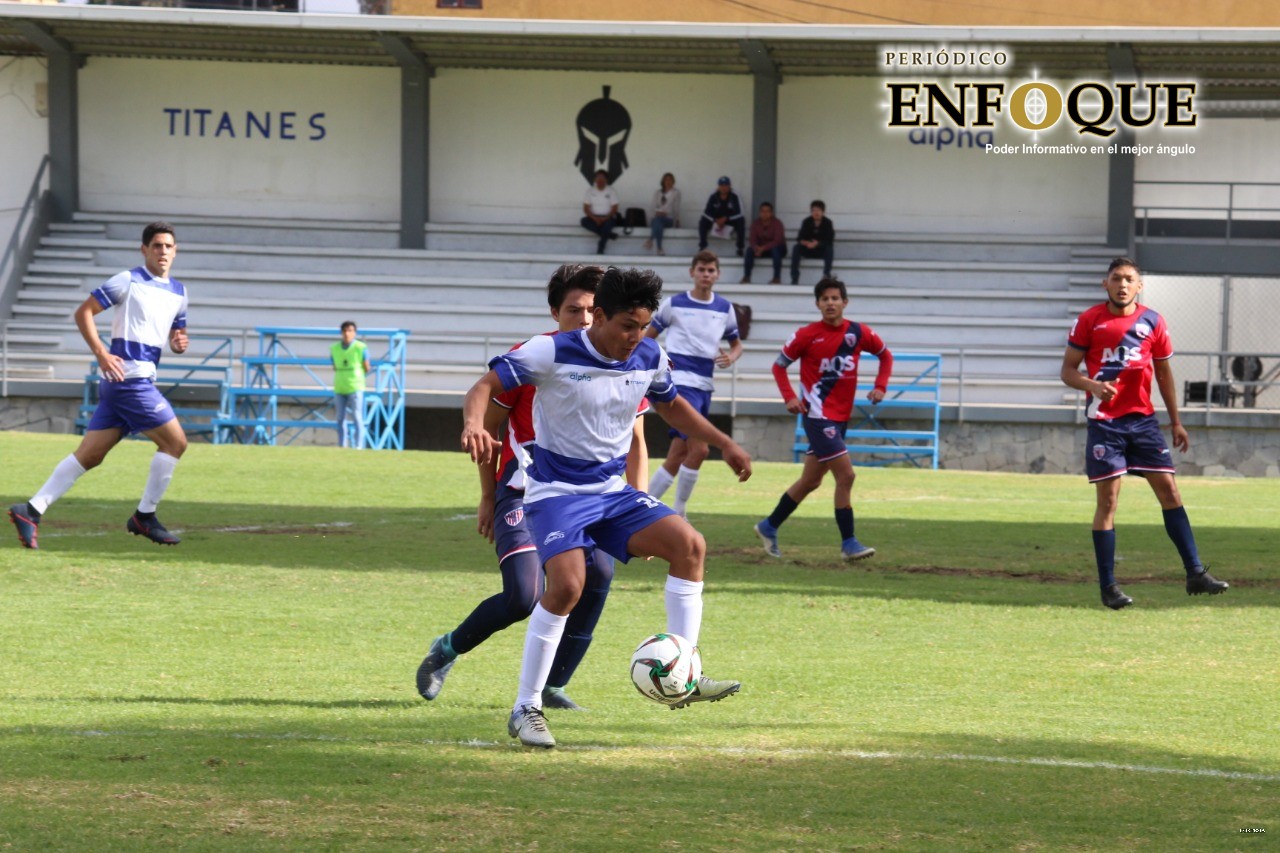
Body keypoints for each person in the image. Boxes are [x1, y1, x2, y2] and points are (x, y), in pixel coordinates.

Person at [461, 266, 752, 749]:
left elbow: (672, 405)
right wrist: (474, 425)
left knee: (690, 546)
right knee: (569, 586)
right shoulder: (551, 350)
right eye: (626, 326)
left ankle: (685, 670)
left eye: (642, 327)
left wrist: (724, 443)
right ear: (598, 317)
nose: (635, 337)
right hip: (554, 492)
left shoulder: (649, 353)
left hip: (610, 492)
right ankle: (526, 706)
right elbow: (483, 387)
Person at [417, 264, 650, 712]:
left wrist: (637, 504)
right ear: (554, 311)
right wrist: (488, 495)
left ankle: (553, 686)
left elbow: (637, 442)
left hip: (592, 495)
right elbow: (491, 427)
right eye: (573, 309)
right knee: (524, 595)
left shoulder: (622, 360)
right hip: (525, 491)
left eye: (590, 311)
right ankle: (446, 649)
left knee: (599, 574)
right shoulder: (535, 356)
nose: (583, 319)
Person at [1060, 257, 1229, 610]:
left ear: (1140, 286)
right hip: (1105, 423)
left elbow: (1165, 375)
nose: (1123, 284)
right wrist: (1093, 385)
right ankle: (1108, 587)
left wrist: (1176, 421)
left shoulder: (1153, 321)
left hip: (1144, 422)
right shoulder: (1089, 321)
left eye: (1129, 279)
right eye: (1116, 278)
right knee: (1108, 502)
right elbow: (1067, 371)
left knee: (1170, 491)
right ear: (1104, 284)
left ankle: (1195, 573)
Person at [8, 222, 190, 550]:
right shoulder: (128, 280)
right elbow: (84, 312)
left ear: (175, 251)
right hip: (129, 382)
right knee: (175, 443)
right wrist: (101, 353)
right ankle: (144, 517)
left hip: (129, 382)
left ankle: (30, 510)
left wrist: (178, 342)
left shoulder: (179, 292)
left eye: (168, 246)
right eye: (157, 246)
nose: (163, 252)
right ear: (145, 250)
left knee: (89, 455)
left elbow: (176, 334)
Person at [754, 277, 892, 562]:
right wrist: (789, 396)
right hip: (818, 417)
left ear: (845, 302)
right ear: (817, 304)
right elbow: (779, 366)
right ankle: (849, 543)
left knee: (811, 481)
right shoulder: (806, 335)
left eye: (835, 298)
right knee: (847, 475)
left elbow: (885, 356)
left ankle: (769, 526)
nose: (830, 303)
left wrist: (880, 386)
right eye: (825, 299)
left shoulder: (858, 332)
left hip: (841, 418)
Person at [646, 250, 743, 517]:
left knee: (679, 453)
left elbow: (736, 345)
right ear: (692, 272)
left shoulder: (724, 308)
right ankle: (678, 511)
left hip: (704, 385)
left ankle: (644, 506)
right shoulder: (674, 304)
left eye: (711, 270)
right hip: (680, 381)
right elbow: (648, 337)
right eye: (701, 269)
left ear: (717, 274)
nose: (706, 274)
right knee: (699, 448)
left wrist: (731, 357)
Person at [331, 320, 371, 449]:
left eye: (350, 331)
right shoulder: (335, 348)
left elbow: (367, 366)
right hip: (340, 386)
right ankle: (342, 444)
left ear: (355, 333)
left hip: (355, 386)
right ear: (341, 332)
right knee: (340, 417)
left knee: (357, 415)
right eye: (345, 331)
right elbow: (335, 365)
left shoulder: (360, 347)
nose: (347, 334)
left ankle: (358, 445)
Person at [697, 176, 745, 257]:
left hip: (730, 221)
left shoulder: (735, 195)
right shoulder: (713, 195)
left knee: (741, 221)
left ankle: (740, 248)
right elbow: (706, 212)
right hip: (716, 222)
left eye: (726, 185)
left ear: (729, 186)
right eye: (721, 185)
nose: (723, 187)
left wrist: (726, 218)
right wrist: (715, 220)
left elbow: (741, 213)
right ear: (718, 186)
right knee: (703, 221)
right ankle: (703, 247)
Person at [790, 200, 835, 285]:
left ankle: (826, 274)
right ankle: (794, 277)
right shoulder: (806, 221)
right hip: (808, 249)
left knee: (830, 249)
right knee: (796, 248)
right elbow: (800, 238)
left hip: (821, 250)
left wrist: (817, 243)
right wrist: (806, 243)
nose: (816, 213)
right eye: (814, 210)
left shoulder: (828, 223)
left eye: (818, 210)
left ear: (823, 212)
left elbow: (829, 240)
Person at [741, 201, 787, 284]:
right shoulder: (756, 223)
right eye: (762, 211)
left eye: (767, 211)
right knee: (749, 250)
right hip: (760, 249)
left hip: (776, 249)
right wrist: (756, 248)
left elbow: (777, 240)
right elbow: (752, 239)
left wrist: (764, 248)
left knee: (775, 250)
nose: (765, 214)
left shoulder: (777, 223)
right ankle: (746, 277)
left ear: (771, 213)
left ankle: (776, 278)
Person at [580, 169, 619, 255]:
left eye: (602, 178)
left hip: (608, 217)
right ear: (594, 180)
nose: (600, 180)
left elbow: (615, 208)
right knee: (583, 221)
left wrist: (605, 218)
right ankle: (609, 235)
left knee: (607, 225)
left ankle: (600, 248)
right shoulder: (590, 191)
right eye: (598, 178)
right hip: (594, 217)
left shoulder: (611, 191)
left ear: (606, 180)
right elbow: (586, 208)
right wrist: (595, 218)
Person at [643, 172, 681, 256]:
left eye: (670, 180)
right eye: (666, 179)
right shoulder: (657, 193)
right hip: (657, 217)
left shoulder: (676, 193)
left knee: (658, 221)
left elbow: (676, 208)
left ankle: (650, 239)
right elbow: (653, 207)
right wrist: (658, 212)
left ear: (673, 181)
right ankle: (659, 248)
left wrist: (676, 219)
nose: (668, 181)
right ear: (663, 181)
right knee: (657, 221)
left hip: (669, 219)